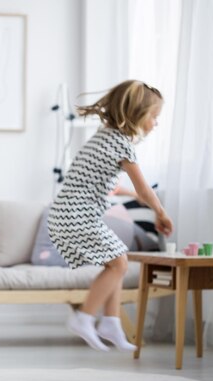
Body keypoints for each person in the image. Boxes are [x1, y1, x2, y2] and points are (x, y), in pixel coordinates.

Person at [47, 80, 173, 352]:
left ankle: (112, 324)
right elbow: (144, 188)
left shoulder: (105, 136)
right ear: (137, 115)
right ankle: (84, 317)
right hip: (75, 215)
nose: (156, 123)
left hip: (67, 213)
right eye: (154, 117)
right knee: (119, 262)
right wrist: (161, 212)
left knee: (115, 262)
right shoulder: (122, 145)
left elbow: (114, 186)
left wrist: (135, 196)